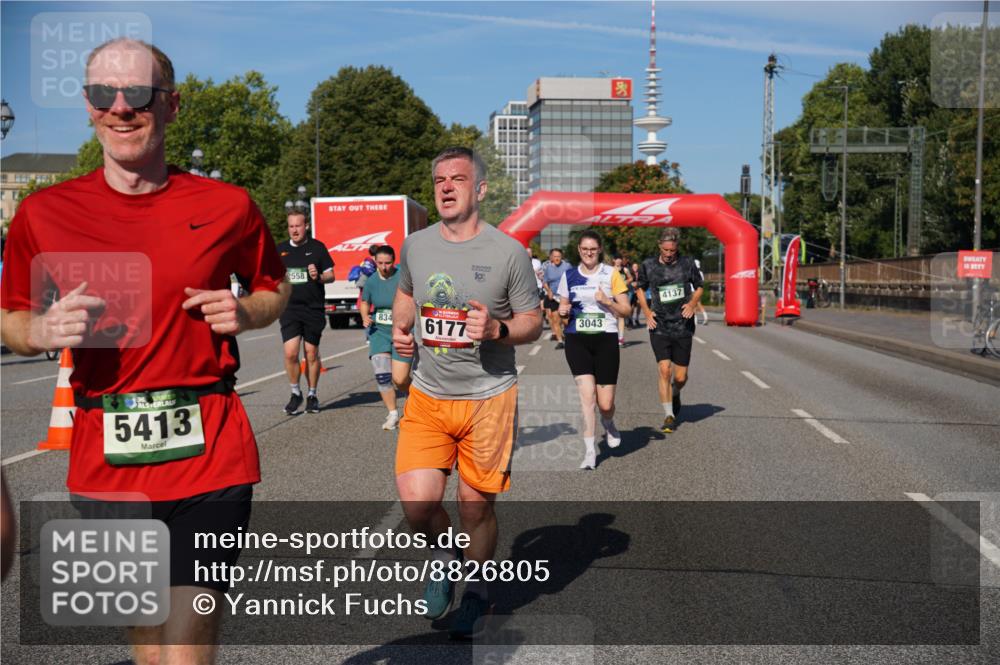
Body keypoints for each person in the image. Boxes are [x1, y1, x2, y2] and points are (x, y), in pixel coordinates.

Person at [0, 38, 289, 665]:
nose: (122, 107)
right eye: (105, 94)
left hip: (209, 451)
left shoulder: (227, 206)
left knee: (186, 641)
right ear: (88, 105)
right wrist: (40, 332)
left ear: (172, 105)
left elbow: (274, 287)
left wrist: (246, 312)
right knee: (146, 635)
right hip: (107, 455)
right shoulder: (43, 213)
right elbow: (12, 319)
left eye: (139, 93)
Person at [391, 146, 541, 638]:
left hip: (488, 397)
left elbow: (532, 322)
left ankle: (476, 592)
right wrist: (401, 324)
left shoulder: (507, 252)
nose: (447, 187)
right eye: (439, 180)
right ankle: (444, 550)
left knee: (475, 506)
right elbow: (408, 290)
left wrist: (499, 329)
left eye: (457, 178)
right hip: (430, 394)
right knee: (417, 504)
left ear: (479, 189)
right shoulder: (416, 245)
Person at [557, 232, 632, 469]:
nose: (588, 253)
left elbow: (627, 310)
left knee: (606, 403)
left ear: (599, 250)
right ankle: (589, 451)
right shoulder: (568, 276)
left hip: (606, 340)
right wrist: (562, 312)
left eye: (593, 249)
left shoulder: (611, 274)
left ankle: (608, 422)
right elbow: (563, 306)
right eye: (584, 249)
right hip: (577, 340)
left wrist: (607, 301)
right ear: (579, 250)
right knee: (587, 397)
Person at [636, 228, 704, 434]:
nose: (668, 254)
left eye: (672, 251)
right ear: (659, 246)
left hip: (683, 324)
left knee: (681, 377)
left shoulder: (687, 264)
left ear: (677, 249)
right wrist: (647, 312)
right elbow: (639, 287)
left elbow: (700, 286)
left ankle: (675, 393)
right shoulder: (648, 265)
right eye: (665, 250)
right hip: (660, 325)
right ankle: (668, 415)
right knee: (664, 369)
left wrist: (692, 303)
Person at [277, 209, 335, 415]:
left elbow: (331, 275)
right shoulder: (280, 250)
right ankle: (295, 393)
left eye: (298, 226)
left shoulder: (317, 248)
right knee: (291, 352)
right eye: (291, 226)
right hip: (289, 308)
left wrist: (318, 276)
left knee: (310, 353)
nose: (294, 230)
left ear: (306, 226)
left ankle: (312, 394)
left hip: (313, 308)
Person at [360, 244, 412, 430]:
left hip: (403, 332)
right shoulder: (371, 281)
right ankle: (392, 413)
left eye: (388, 263)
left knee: (400, 379)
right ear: (375, 261)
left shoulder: (403, 277)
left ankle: (413, 400)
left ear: (394, 261)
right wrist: (365, 316)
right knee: (382, 375)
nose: (384, 267)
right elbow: (365, 302)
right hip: (379, 332)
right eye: (380, 263)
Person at [541, 248, 571, 349]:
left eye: (558, 256)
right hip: (553, 297)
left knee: (566, 320)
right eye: (555, 256)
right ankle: (560, 341)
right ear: (551, 258)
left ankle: (569, 337)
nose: (557, 258)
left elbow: (573, 279)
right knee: (555, 319)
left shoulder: (567, 266)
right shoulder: (549, 268)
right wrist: (548, 290)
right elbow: (544, 282)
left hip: (565, 297)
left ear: (561, 257)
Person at [612, 256, 631, 344]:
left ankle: (621, 337)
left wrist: (626, 282)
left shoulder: (625, 270)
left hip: (622, 294)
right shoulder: (610, 270)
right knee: (613, 316)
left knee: (621, 316)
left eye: (620, 259)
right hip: (612, 294)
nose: (619, 261)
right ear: (614, 260)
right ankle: (613, 335)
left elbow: (631, 278)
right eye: (617, 259)